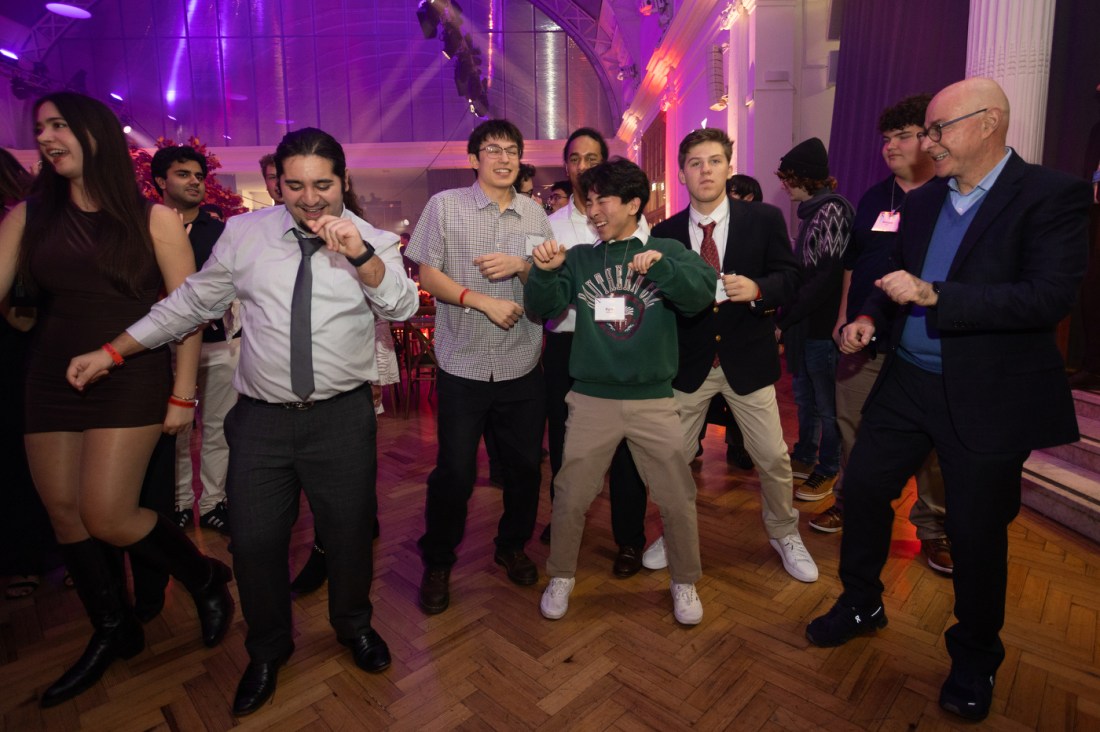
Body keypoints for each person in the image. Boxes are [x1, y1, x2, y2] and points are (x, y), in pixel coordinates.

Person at [67, 127, 418, 715]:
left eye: (324, 185)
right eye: (296, 184)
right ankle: (266, 648)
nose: (310, 199)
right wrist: (113, 351)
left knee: (349, 535)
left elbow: (402, 306)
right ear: (277, 181)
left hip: (341, 419)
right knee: (254, 544)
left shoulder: (374, 240)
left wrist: (357, 251)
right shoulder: (244, 234)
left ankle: (353, 625)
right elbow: (190, 303)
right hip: (260, 421)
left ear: (344, 182)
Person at [807, 78, 1090, 722]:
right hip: (907, 380)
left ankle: (974, 657)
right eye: (926, 132)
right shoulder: (929, 199)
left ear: (988, 123)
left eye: (939, 130)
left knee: (975, 530)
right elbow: (893, 279)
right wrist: (870, 318)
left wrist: (937, 296)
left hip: (988, 394)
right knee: (865, 488)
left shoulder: (1052, 195)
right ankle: (861, 600)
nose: (928, 143)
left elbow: (1047, 298)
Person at [0, 92, 232, 709]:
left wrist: (183, 395)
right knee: (65, 514)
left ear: (95, 133)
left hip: (129, 371)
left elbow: (187, 312)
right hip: (51, 373)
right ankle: (113, 627)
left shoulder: (152, 217)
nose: (46, 137)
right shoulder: (28, 217)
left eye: (59, 125)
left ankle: (205, 577)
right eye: (39, 128)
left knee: (106, 512)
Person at [527, 158, 714, 623]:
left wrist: (663, 270)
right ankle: (562, 575)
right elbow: (541, 309)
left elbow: (700, 295)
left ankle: (685, 582)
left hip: (653, 399)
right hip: (591, 398)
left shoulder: (669, 249)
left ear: (633, 203)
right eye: (588, 201)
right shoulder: (583, 257)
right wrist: (547, 273)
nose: (593, 210)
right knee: (571, 494)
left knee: (676, 496)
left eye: (602, 200)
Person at [647, 129, 817, 583]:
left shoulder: (762, 219)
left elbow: (791, 276)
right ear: (682, 172)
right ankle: (674, 531)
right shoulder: (662, 233)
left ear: (728, 166)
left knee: (774, 459)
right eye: (696, 163)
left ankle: (784, 532)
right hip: (689, 365)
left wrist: (760, 290)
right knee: (673, 460)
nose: (706, 170)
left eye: (715, 161)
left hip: (747, 359)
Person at [406, 119, 553, 615]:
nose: (505, 158)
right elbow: (427, 272)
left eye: (512, 150)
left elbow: (549, 276)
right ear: (474, 159)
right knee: (454, 472)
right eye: (493, 150)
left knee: (525, 470)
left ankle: (512, 545)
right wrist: (480, 300)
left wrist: (525, 266)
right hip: (464, 363)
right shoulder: (444, 206)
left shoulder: (536, 213)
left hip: (522, 363)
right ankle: (439, 558)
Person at [808, 94, 953, 577]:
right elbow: (853, 262)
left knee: (931, 441)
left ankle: (934, 528)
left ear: (930, 139)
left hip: (925, 339)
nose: (891, 146)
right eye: (886, 138)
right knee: (853, 425)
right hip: (864, 335)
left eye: (903, 136)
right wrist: (845, 314)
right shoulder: (875, 197)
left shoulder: (951, 198)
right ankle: (855, 502)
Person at [541, 127, 650, 576]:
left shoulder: (635, 221)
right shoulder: (548, 224)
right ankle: (565, 520)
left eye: (592, 159)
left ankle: (629, 538)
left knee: (626, 447)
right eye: (574, 159)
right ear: (565, 167)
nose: (583, 167)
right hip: (566, 344)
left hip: (618, 343)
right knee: (565, 442)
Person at [149, 145, 235, 536]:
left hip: (218, 344)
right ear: (160, 181)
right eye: (184, 174)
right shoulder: (144, 227)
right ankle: (180, 502)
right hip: (162, 347)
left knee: (219, 427)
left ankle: (214, 501)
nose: (195, 181)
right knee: (175, 429)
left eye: (199, 176)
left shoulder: (220, 232)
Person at [774, 138, 853, 497]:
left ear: (805, 178)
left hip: (821, 327)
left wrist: (786, 315)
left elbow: (826, 277)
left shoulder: (832, 210)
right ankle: (805, 456)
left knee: (826, 405)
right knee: (805, 399)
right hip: (805, 326)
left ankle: (828, 467)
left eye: (788, 179)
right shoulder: (812, 212)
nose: (784, 186)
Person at [0, 146, 57, 601]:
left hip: (23, 355)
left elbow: (23, 314)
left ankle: (32, 556)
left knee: (22, 460)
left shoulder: (27, 223)